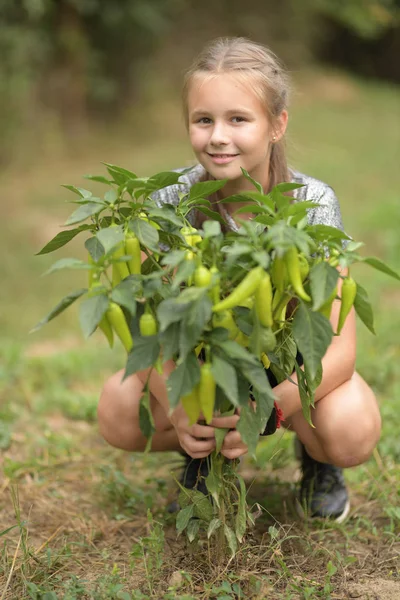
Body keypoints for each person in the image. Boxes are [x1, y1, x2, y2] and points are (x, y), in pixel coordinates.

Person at [97, 37, 381, 523]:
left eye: (238, 119)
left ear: (277, 124)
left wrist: (266, 409)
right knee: (119, 409)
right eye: (203, 120)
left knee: (350, 428)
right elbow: (150, 324)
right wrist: (182, 406)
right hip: (202, 367)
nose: (218, 137)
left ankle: (318, 460)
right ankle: (202, 455)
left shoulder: (312, 203)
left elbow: (338, 346)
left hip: (285, 366)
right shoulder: (169, 201)